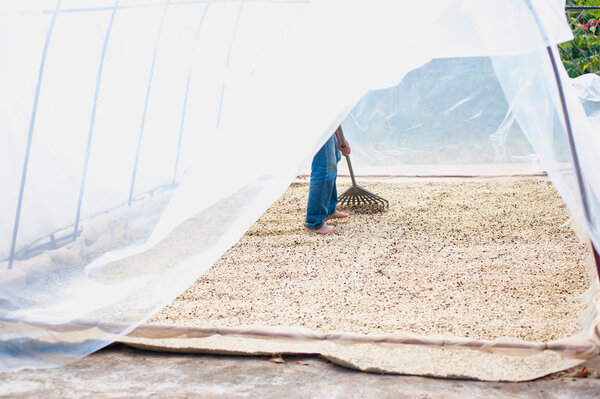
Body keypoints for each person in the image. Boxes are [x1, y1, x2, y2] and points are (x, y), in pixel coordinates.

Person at [304, 127, 351, 234]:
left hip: (327, 121)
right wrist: (339, 137)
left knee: (334, 156)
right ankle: (314, 222)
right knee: (325, 168)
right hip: (318, 121)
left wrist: (338, 135)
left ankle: (329, 210)